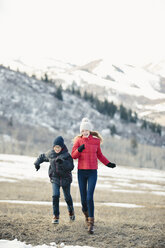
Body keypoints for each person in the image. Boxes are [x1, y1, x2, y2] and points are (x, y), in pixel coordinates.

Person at [71, 118, 116, 234]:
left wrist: (108, 164)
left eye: (86, 130)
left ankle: (91, 223)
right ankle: (86, 214)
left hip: (92, 172)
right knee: (83, 200)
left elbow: (100, 155)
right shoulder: (78, 141)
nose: (84, 132)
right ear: (81, 131)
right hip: (81, 172)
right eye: (82, 130)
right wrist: (79, 150)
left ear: (89, 130)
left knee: (89, 197)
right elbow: (73, 156)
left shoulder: (95, 141)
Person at [34, 136, 75, 224]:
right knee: (55, 195)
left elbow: (71, 167)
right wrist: (37, 163)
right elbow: (42, 156)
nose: (57, 149)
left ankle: (71, 212)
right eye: (55, 147)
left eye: (58, 147)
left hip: (65, 179)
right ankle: (56, 216)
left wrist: (63, 163)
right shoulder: (51, 154)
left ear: (62, 147)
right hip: (55, 178)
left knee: (67, 197)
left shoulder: (67, 155)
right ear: (53, 147)